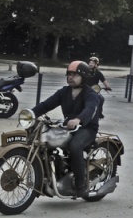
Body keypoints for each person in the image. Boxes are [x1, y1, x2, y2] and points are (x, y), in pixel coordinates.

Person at [31, 61, 102, 199]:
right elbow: (46, 105)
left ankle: (81, 186)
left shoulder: (90, 94)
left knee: (75, 146)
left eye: (75, 74)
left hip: (87, 128)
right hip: (68, 127)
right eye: (69, 74)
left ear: (84, 77)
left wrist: (79, 119)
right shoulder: (64, 92)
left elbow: (90, 109)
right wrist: (30, 114)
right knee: (46, 142)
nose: (71, 77)